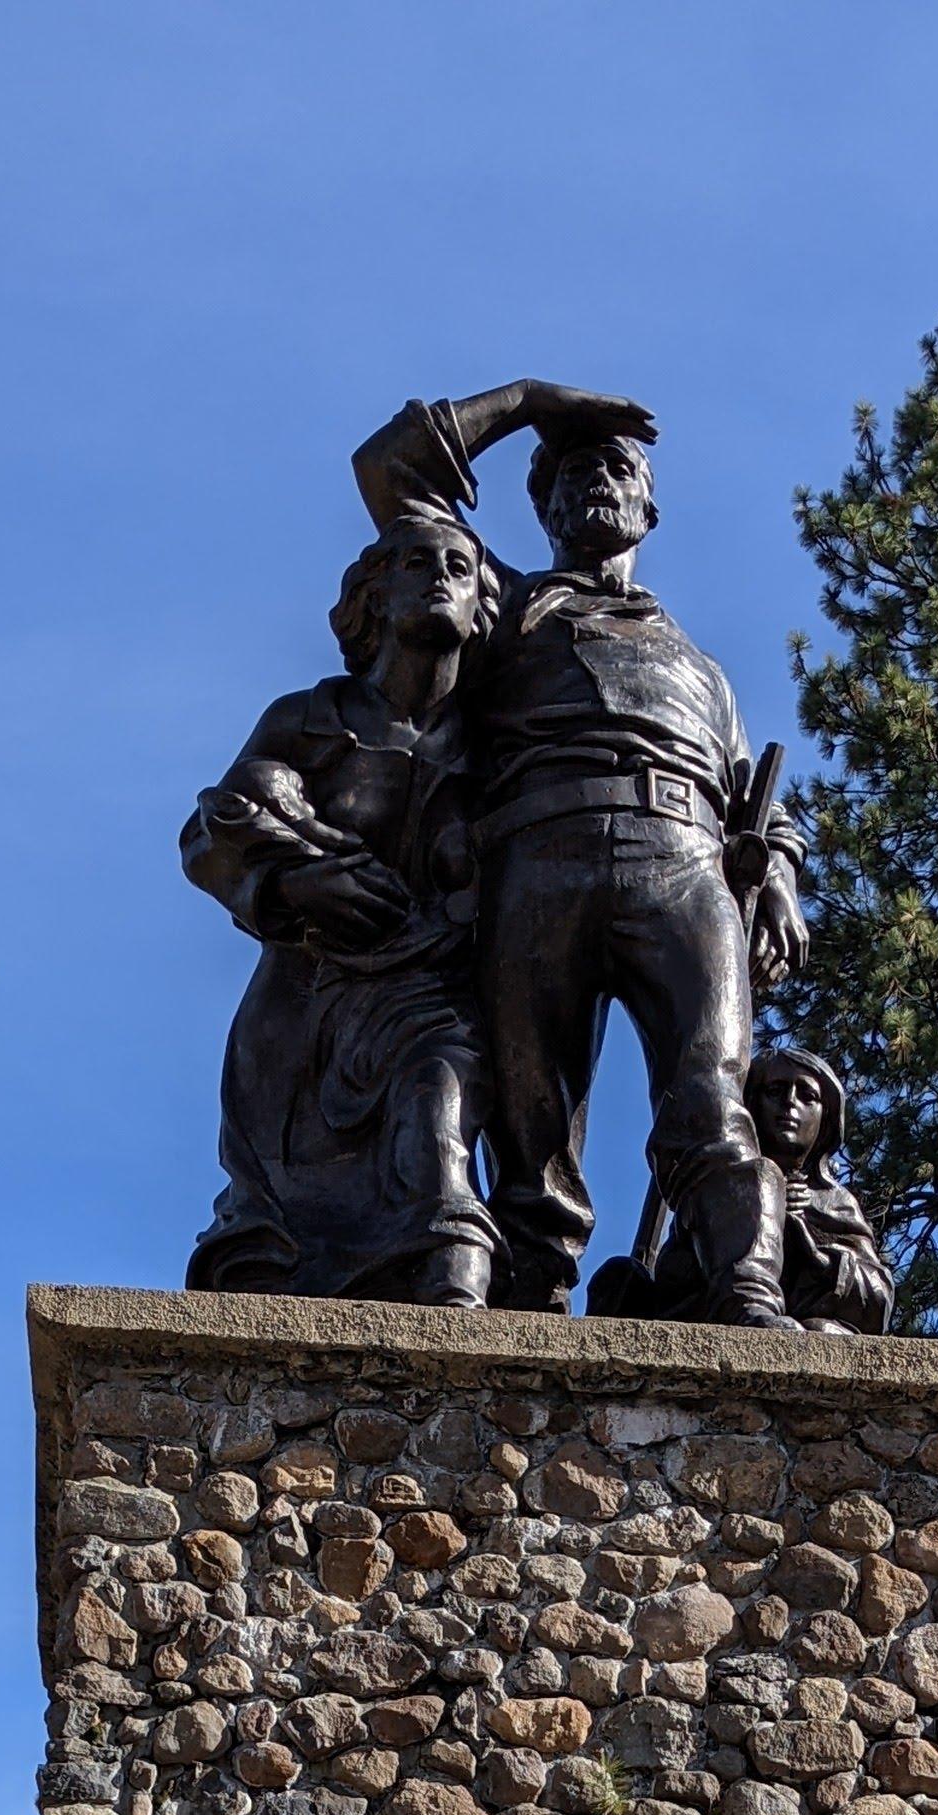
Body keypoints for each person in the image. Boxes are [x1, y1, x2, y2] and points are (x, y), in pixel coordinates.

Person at [351, 382, 808, 1322]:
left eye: (618, 466)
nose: (597, 477)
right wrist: (527, 401)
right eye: (572, 469)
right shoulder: (500, 602)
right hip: (535, 860)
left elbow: (761, 806)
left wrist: (784, 881)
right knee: (530, 1128)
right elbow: (389, 472)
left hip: (686, 865)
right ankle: (529, 1304)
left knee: (712, 1098)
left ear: (648, 507)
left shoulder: (704, 671)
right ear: (544, 505)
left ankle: (748, 1287)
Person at [180, 503, 501, 1306]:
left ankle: (460, 1333)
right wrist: (289, 884)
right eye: (416, 563)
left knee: (437, 1127)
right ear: (375, 597)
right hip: (302, 1009)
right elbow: (204, 838)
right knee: (277, 1244)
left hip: (431, 998)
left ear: (480, 607)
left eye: (459, 568)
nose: (439, 579)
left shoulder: (500, 740)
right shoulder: (307, 720)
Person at [598, 1046, 894, 1332]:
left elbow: (878, 1301)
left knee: (824, 1334)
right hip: (701, 1317)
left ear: (825, 1119)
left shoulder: (835, 1202)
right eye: (775, 1091)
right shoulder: (717, 1186)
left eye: (807, 1096)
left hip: (808, 1327)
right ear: (751, 1104)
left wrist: (820, 1259)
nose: (790, 1102)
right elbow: (675, 1275)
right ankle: (746, 1307)